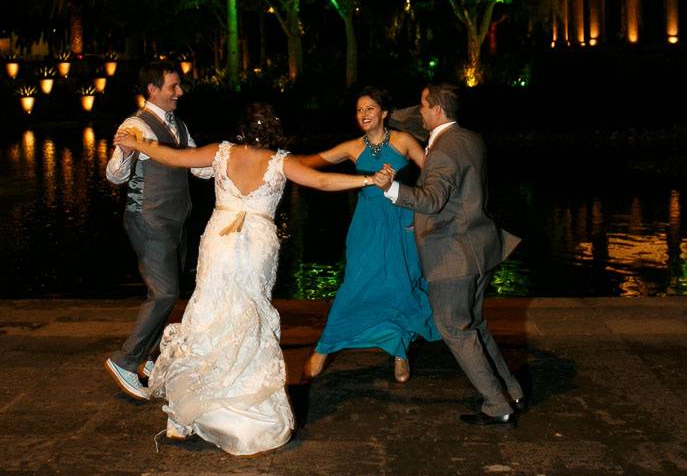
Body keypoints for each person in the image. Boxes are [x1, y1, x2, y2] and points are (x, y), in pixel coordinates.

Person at [114, 103, 379, 456]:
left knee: (207, 313)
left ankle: (182, 417)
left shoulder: (221, 153)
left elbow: (175, 158)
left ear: (242, 130)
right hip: (257, 245)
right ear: (274, 132)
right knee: (247, 315)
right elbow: (321, 180)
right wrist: (368, 179)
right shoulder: (280, 161)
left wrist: (139, 143)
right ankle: (243, 408)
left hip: (219, 241)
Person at [374, 83, 524, 427]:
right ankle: (511, 390)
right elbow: (460, 196)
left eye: (424, 106)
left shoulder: (441, 151)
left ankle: (496, 404)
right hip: (480, 247)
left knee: (455, 329)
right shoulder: (470, 138)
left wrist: (392, 189)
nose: (419, 111)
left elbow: (432, 199)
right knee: (475, 326)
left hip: (453, 257)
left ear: (437, 111)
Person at [299, 86, 439, 383]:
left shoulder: (403, 141)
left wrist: (422, 207)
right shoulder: (352, 147)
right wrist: (276, 161)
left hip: (402, 220)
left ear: (384, 113)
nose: (363, 114)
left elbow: (433, 174)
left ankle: (400, 352)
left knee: (401, 284)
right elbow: (314, 162)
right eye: (359, 110)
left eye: (369, 109)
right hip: (366, 225)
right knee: (354, 284)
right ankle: (324, 347)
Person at [104, 60, 213, 401]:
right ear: (153, 89)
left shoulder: (176, 124)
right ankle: (126, 360)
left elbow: (197, 165)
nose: (179, 92)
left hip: (175, 219)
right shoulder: (136, 124)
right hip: (148, 218)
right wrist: (123, 153)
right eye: (173, 87)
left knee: (170, 290)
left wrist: (231, 162)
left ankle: (149, 359)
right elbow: (115, 176)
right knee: (164, 292)